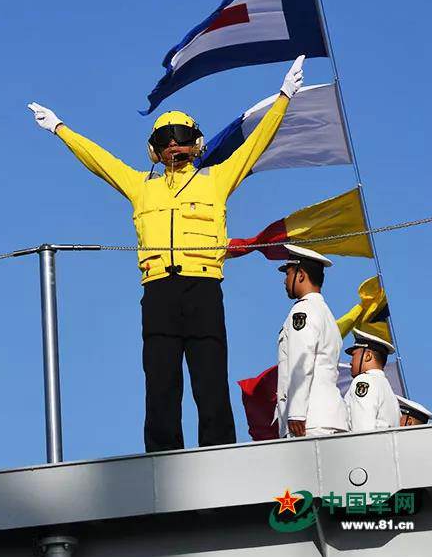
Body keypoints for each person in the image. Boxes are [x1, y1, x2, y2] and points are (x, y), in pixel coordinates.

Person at [28, 56, 305, 453]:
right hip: (158, 291)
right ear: (155, 149)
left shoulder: (217, 179)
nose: (173, 144)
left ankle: (219, 453)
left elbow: (256, 144)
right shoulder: (142, 187)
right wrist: (59, 128)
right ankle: (161, 458)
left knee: (209, 378)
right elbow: (99, 160)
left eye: (180, 136)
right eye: (164, 139)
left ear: (196, 142)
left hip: (204, 288)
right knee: (160, 382)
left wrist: (284, 97)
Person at [276, 244, 348, 438]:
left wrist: (297, 412)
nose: (285, 280)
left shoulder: (303, 311)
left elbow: (302, 361)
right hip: (326, 419)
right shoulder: (325, 312)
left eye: (288, 273)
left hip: (309, 420)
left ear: (301, 275)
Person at [344, 329, 401, 432]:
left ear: (368, 356)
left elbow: (362, 431)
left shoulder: (364, 381)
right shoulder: (389, 391)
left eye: (354, 355)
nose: (350, 363)